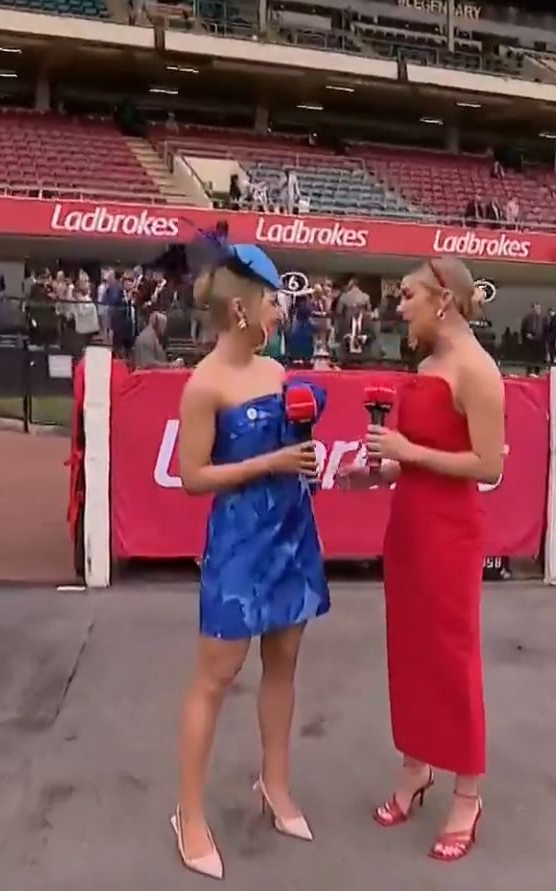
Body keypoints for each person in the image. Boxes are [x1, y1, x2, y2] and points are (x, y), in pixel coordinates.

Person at [172, 242, 329, 881]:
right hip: (239, 543)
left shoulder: (277, 371)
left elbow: (291, 449)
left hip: (292, 532)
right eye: (272, 301)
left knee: (283, 665)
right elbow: (193, 477)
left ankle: (276, 784)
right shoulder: (204, 385)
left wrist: (304, 449)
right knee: (215, 678)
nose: (280, 311)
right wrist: (271, 461)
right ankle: (189, 814)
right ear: (241, 309)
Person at [340, 257, 505, 863]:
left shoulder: (478, 371)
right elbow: (417, 457)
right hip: (407, 526)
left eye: (408, 295)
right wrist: (379, 471)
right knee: (408, 652)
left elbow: (488, 464)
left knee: (452, 659)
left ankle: (468, 793)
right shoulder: (429, 366)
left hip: (450, 534)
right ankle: (416, 767)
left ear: (443, 300)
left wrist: (406, 452)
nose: (399, 306)